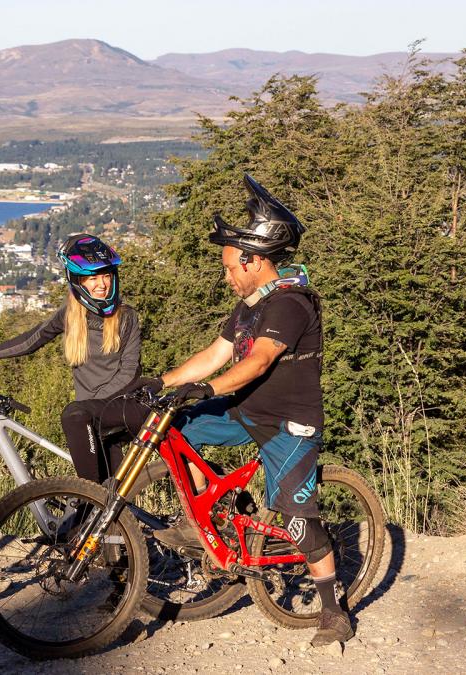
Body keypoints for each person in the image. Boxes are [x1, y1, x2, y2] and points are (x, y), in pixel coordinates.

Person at [143, 174, 353, 647]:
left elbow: (256, 361)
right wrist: (163, 382)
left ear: (254, 261)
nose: (226, 276)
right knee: (181, 430)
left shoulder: (291, 304)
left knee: (297, 520)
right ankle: (213, 518)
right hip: (244, 412)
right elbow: (214, 354)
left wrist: (204, 389)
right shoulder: (248, 306)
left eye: (230, 267)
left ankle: (333, 610)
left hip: (288, 427)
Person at [0, 233, 140, 485]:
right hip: (84, 419)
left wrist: (94, 405)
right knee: (100, 492)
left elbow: (130, 371)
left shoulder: (127, 317)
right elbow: (33, 339)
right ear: (78, 282)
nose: (102, 284)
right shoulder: (71, 315)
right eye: (92, 277)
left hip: (113, 410)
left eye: (106, 275)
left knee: (109, 493)